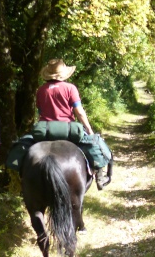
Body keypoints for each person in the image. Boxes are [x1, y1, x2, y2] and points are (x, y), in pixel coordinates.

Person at [36, 58, 110, 189]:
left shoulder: (41, 90)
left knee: (26, 145)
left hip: (45, 130)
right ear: (63, 74)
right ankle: (100, 175)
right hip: (68, 129)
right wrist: (89, 129)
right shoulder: (70, 88)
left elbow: (41, 112)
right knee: (94, 144)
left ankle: (19, 180)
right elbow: (79, 112)